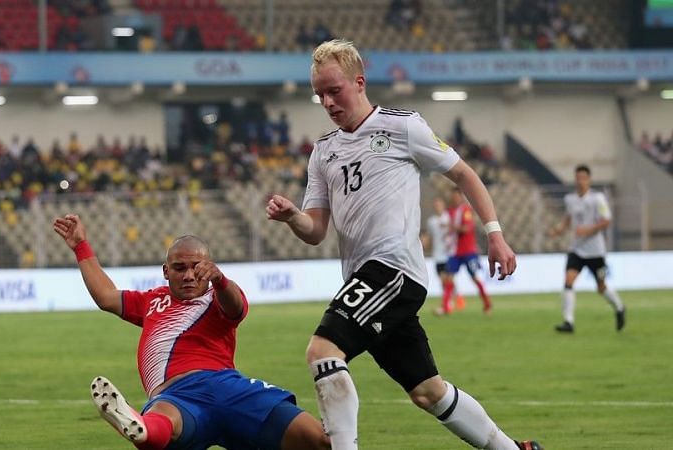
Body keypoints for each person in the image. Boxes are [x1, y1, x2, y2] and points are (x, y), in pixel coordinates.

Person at [266, 39, 541, 450]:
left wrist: (495, 233)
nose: (326, 101)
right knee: (428, 391)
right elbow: (316, 231)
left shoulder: (403, 126)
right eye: (319, 94)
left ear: (359, 83)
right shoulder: (323, 152)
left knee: (322, 350)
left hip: (394, 271)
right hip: (366, 278)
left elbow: (465, 175)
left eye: (334, 90)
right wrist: (293, 218)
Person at [52, 214, 330, 450]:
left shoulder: (217, 296)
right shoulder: (152, 301)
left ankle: (143, 426)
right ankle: (138, 426)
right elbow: (106, 296)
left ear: (208, 267)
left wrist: (220, 280)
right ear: (165, 271)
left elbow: (236, 308)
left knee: (319, 441)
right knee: (160, 424)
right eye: (179, 268)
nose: (188, 275)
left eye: (196, 267)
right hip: (175, 396)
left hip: (228, 388)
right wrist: (80, 246)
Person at [547, 165, 626, 333]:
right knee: (568, 281)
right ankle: (568, 322)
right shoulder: (570, 199)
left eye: (583, 177)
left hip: (596, 251)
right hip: (577, 249)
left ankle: (619, 307)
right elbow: (569, 218)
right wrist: (558, 230)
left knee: (601, 286)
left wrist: (587, 230)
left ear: (589, 180)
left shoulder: (598, 199)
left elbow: (606, 221)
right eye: (578, 178)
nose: (580, 181)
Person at [447, 187, 493, 314]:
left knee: (474, 277)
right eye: (453, 196)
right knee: (449, 277)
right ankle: (446, 306)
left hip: (468, 251)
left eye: (456, 196)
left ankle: (487, 304)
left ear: (461, 196)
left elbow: (467, 228)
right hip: (455, 251)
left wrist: (453, 227)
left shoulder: (465, 210)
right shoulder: (450, 211)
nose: (454, 198)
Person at [422, 196, 465, 315]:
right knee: (444, 280)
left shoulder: (449, 217)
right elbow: (429, 236)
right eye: (435, 204)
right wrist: (425, 244)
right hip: (437, 254)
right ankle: (456, 298)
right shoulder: (431, 221)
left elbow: (456, 231)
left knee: (447, 279)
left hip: (449, 253)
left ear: (443, 205)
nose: (437, 206)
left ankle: (448, 304)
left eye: (439, 204)